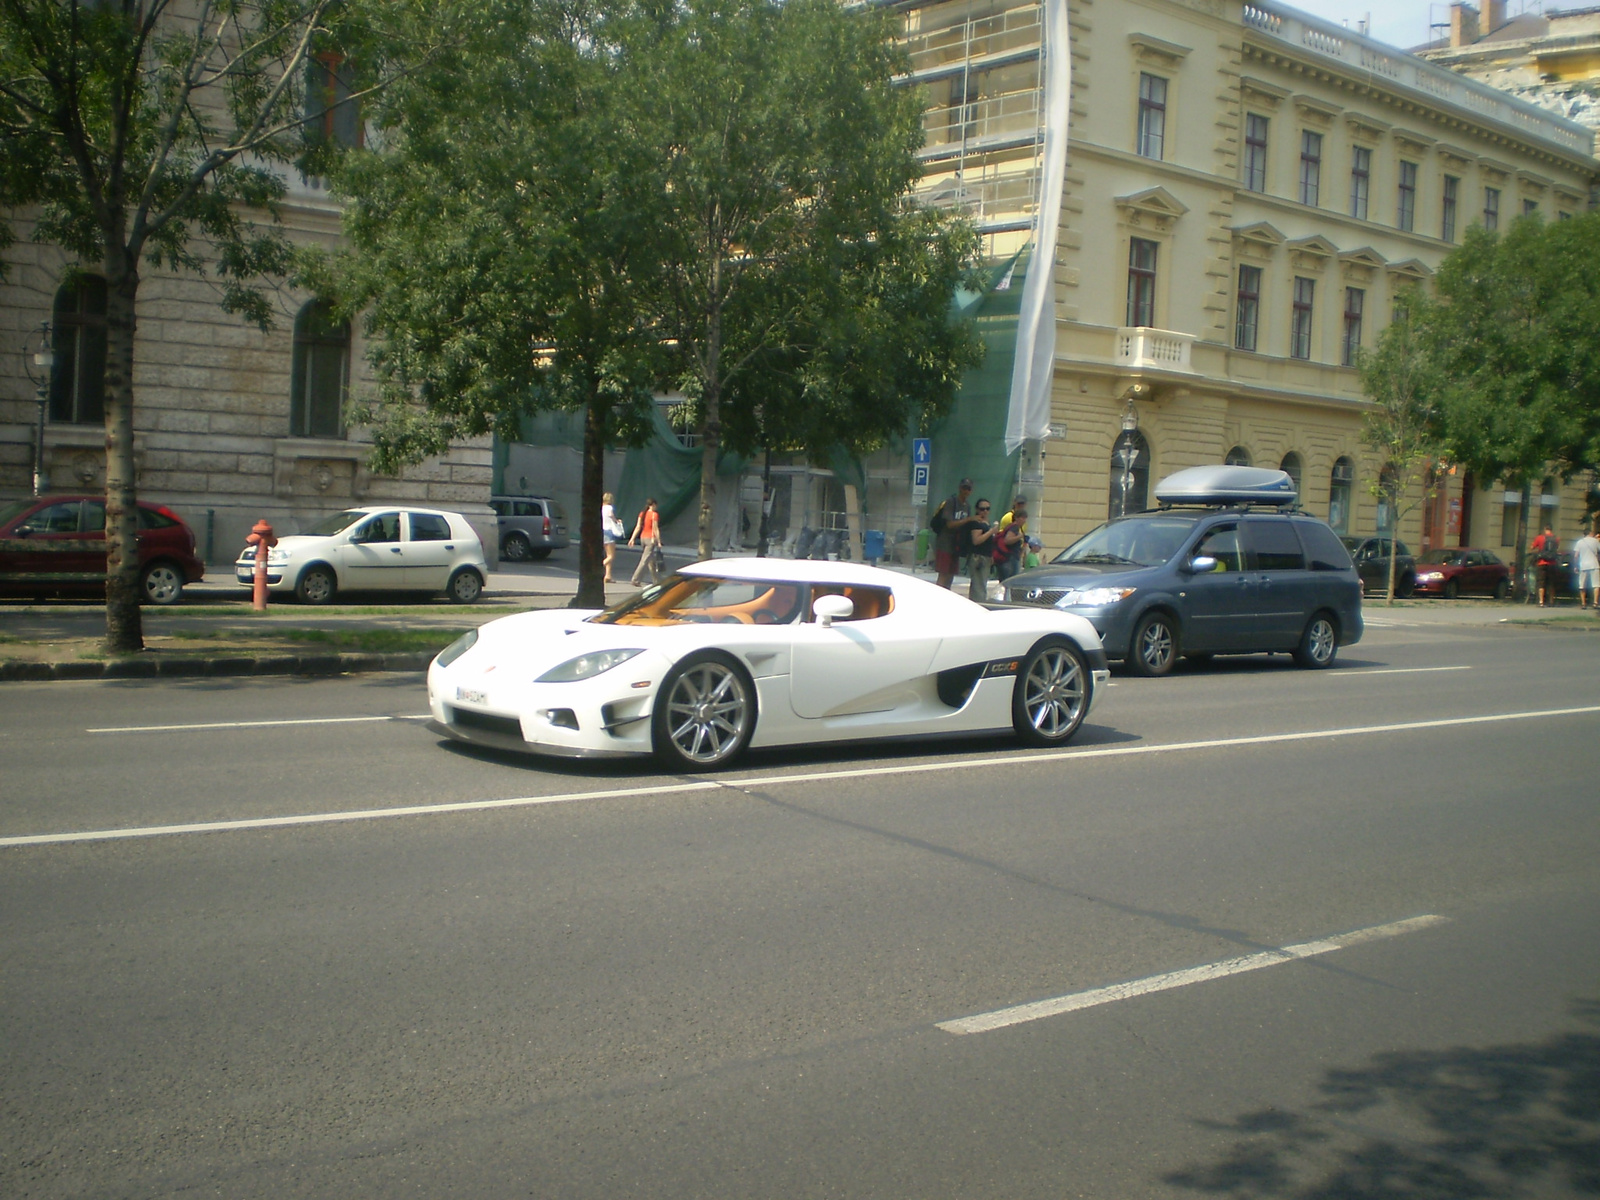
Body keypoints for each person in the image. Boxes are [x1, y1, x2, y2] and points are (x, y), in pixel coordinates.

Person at [928, 478, 974, 589]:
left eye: (968, 489)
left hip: (956, 545)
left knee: (951, 574)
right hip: (945, 543)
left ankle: (947, 595)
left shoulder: (967, 506)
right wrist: (967, 520)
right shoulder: (951, 502)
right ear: (959, 488)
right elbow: (949, 524)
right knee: (943, 574)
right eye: (964, 488)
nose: (966, 491)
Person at [993, 496, 1029, 583]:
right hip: (1009, 557)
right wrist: (1019, 537)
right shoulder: (1011, 522)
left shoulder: (1021, 526)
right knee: (1010, 582)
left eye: (1022, 504)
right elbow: (1007, 540)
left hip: (1014, 556)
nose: (1023, 520)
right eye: (1022, 517)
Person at [966, 499, 995, 602]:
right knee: (978, 586)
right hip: (978, 557)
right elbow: (976, 540)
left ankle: (978, 603)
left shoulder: (985, 522)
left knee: (981, 584)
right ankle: (978, 604)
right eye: (982, 509)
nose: (985, 511)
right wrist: (991, 531)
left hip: (986, 556)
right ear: (977, 510)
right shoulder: (976, 523)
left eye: (987, 509)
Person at [628, 497, 662, 586]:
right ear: (653, 505)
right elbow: (655, 528)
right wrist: (658, 541)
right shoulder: (654, 515)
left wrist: (632, 538)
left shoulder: (642, 514)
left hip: (643, 537)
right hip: (650, 539)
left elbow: (638, 527)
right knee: (645, 560)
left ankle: (657, 580)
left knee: (651, 560)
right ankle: (635, 579)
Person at [1573, 519, 1600, 610]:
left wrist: (1576, 566)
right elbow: (1598, 552)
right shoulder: (1596, 541)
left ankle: (1583, 603)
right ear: (1590, 533)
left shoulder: (1580, 542)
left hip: (1583, 565)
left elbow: (1576, 555)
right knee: (1596, 584)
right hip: (1594, 564)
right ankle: (1595, 603)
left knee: (1582, 585)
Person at [1532, 524, 1560, 606]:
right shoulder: (1556, 539)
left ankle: (1541, 601)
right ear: (1551, 529)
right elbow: (1556, 548)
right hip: (1552, 563)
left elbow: (1532, 547)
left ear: (1545, 529)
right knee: (1551, 582)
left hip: (1542, 562)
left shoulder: (1540, 537)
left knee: (1541, 582)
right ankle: (1551, 601)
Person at [600, 491, 621, 584]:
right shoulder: (609, 508)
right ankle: (598, 567)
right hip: (609, 531)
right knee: (611, 555)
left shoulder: (601, 508)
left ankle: (608, 575)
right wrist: (617, 521)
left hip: (602, 531)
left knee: (607, 554)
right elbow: (612, 517)